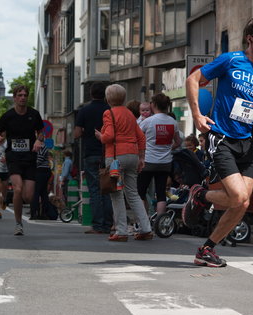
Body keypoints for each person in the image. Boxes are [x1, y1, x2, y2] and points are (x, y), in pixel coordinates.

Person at [184, 17, 253, 267]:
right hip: (221, 137)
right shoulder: (230, 60)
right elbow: (192, 80)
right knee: (239, 197)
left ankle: (206, 247)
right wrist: (197, 115)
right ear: (250, 38)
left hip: (245, 142)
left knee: (242, 203)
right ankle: (201, 196)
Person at [95, 84, 152, 241]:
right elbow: (141, 137)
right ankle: (146, 228)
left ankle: (121, 231)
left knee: (116, 193)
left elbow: (109, 136)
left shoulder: (109, 113)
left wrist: (100, 136)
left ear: (108, 99)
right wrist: (141, 157)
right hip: (132, 155)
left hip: (115, 158)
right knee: (133, 193)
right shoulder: (129, 113)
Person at [0, 84, 44, 236]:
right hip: (13, 157)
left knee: (27, 196)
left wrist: (39, 140)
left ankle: (16, 206)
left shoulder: (34, 114)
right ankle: (18, 223)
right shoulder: (8, 116)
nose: (22, 98)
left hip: (29, 157)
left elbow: (41, 132)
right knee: (18, 188)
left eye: (25, 95)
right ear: (14, 97)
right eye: (19, 95)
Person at [75, 82, 113, 234]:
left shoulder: (84, 110)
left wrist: (86, 131)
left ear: (91, 94)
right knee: (108, 189)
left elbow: (77, 133)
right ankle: (109, 224)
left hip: (91, 153)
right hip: (108, 153)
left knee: (95, 190)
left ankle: (98, 225)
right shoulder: (109, 110)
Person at [138, 93, 182, 215]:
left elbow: (137, 138)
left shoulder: (148, 121)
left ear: (154, 105)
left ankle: (143, 222)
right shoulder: (172, 122)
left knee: (140, 192)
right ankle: (159, 222)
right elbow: (178, 141)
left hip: (148, 161)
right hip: (165, 163)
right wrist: (168, 148)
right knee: (161, 193)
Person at [30, 145, 53, 220]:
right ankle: (44, 213)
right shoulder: (43, 148)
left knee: (36, 193)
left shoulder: (41, 148)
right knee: (43, 193)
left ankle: (34, 213)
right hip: (45, 172)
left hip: (41, 171)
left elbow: (38, 161)